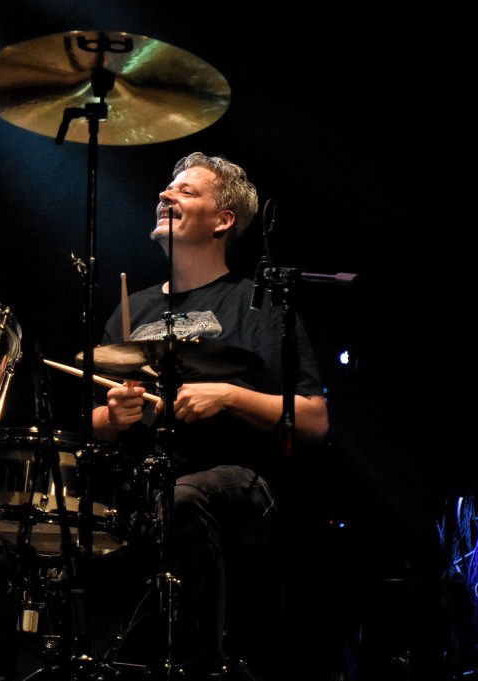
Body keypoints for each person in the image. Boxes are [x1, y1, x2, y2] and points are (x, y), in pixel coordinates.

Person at [89, 151, 330, 679]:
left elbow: (313, 420)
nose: (164, 195)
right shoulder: (133, 309)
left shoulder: (257, 304)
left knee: (182, 498)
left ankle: (198, 667)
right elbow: (96, 424)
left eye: (186, 191)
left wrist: (229, 395)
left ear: (223, 220)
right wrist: (117, 414)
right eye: (167, 188)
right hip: (144, 482)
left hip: (240, 480)